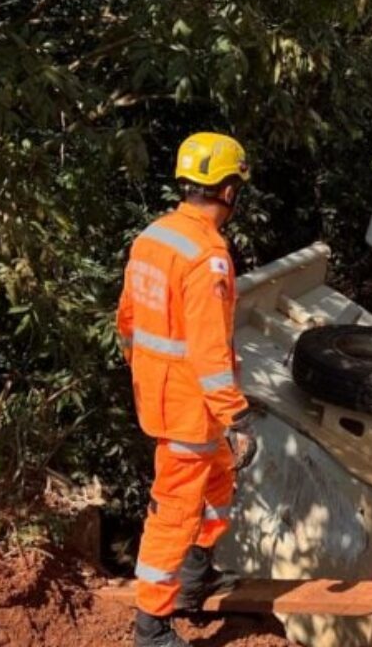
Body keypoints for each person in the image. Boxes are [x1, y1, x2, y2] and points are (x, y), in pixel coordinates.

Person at [116, 132, 259, 647]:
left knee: (219, 480)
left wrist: (149, 376)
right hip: (191, 408)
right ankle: (151, 626)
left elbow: (128, 321)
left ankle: (195, 577)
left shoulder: (153, 237)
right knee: (175, 507)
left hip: (163, 395)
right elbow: (209, 350)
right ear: (227, 190)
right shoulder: (207, 257)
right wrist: (237, 417)